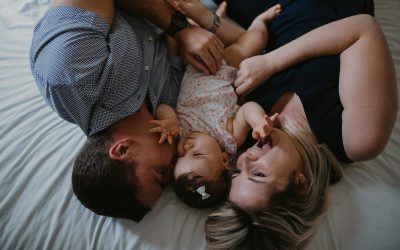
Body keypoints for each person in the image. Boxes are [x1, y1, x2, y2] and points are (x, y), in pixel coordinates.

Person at [201, 0, 397, 249]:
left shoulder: (249, 127)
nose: (244, 159)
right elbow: (362, 30)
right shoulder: (357, 139)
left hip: (273, 12)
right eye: (258, 173)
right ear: (301, 184)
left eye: (238, 173)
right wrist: (271, 63)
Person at [29, 0, 229, 222]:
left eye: (161, 173)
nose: (174, 165)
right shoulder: (169, 107)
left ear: (122, 150)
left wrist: (180, 29)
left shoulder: (72, 77)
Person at [148, 3, 282, 209]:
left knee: (174, 38)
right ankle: (260, 22)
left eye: (181, 156)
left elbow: (165, 106)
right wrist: (257, 123)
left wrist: (168, 119)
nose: (186, 147)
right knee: (252, 42)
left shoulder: (181, 134)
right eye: (197, 154)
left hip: (193, 65)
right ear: (225, 161)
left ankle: (213, 17)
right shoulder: (230, 138)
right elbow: (247, 110)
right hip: (225, 68)